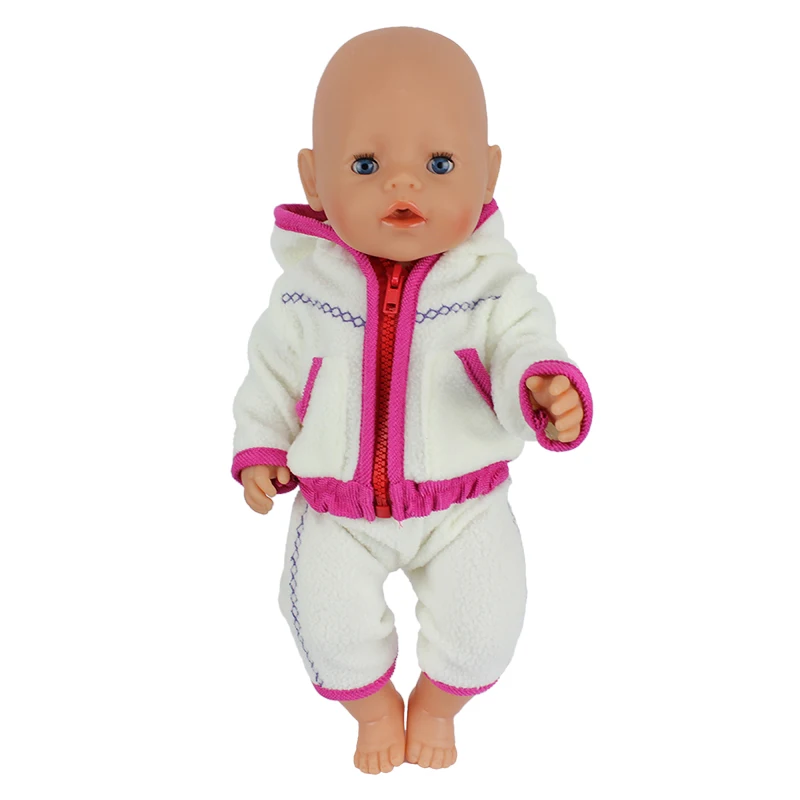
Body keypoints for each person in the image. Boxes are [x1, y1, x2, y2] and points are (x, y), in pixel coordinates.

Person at [232, 26, 593, 773]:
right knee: (323, 620)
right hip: (338, 507)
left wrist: (541, 387)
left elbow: (523, 342)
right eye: (366, 165)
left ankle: (437, 704)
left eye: (439, 164)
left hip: (465, 503)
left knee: (487, 618)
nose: (404, 184)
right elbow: (271, 373)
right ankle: (371, 710)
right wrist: (261, 446)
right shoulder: (304, 293)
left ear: (489, 174)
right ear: (314, 181)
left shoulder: (493, 285)